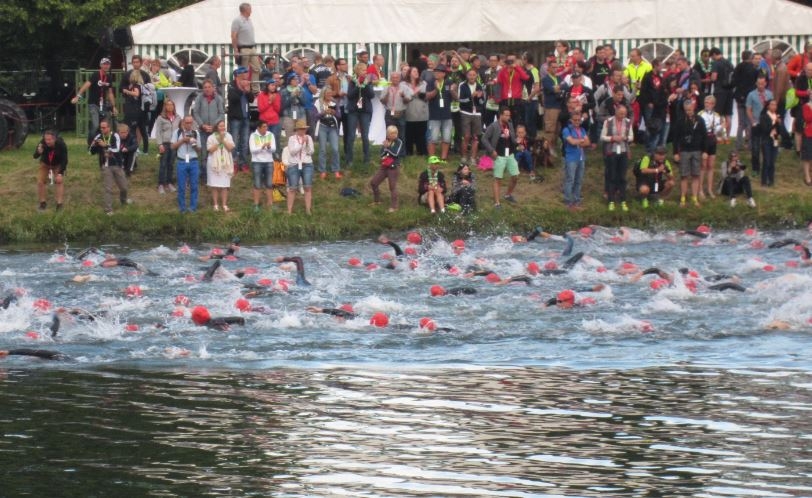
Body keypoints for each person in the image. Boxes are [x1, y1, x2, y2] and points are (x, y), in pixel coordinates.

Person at [71, 57, 117, 145]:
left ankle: (105, 142)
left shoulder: (109, 77)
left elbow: (110, 93)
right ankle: (90, 143)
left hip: (103, 104)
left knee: (106, 124)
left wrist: (113, 106)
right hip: (93, 104)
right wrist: (77, 96)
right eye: (104, 64)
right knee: (95, 125)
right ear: (100, 65)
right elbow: (86, 85)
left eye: (108, 64)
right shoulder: (95, 75)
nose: (106, 66)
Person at [89, 121, 130, 215]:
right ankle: (108, 209)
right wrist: (94, 145)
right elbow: (90, 152)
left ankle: (123, 200)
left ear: (109, 128)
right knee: (108, 188)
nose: (102, 129)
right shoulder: (98, 137)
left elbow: (117, 149)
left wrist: (106, 146)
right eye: (101, 128)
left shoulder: (115, 136)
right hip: (105, 166)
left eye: (104, 128)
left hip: (117, 164)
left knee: (124, 187)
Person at [672, 100, 707, 208]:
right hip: (684, 151)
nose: (688, 112)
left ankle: (694, 197)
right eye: (686, 110)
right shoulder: (680, 121)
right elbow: (675, 138)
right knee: (684, 175)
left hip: (697, 150)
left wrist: (705, 151)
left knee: (696, 175)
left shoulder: (700, 120)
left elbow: (704, 136)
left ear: (694, 108)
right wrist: (675, 152)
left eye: (690, 110)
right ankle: (683, 197)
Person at [481, 107, 519, 208]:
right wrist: (491, 150)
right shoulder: (493, 126)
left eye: (509, 115)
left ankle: (508, 195)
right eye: (506, 115)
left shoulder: (510, 124)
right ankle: (497, 202)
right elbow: (484, 139)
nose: (508, 117)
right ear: (501, 115)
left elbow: (513, 139)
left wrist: (517, 142)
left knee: (515, 176)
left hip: (510, 155)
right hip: (499, 156)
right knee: (498, 179)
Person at [600, 103, 634, 211]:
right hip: (612, 151)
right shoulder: (608, 121)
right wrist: (612, 138)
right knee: (612, 176)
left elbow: (631, 136)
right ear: (616, 112)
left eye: (624, 114)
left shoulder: (628, 122)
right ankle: (611, 200)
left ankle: (623, 200)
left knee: (622, 176)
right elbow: (602, 137)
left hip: (623, 151)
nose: (622, 116)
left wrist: (626, 138)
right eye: (620, 114)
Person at [194, 79, 226, 181]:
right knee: (204, 153)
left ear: (213, 88)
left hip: (214, 131)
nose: (207, 89)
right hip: (203, 130)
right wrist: (202, 124)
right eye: (205, 87)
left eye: (209, 87)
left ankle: (215, 175)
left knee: (215, 152)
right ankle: (204, 176)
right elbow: (195, 113)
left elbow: (221, 113)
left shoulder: (218, 99)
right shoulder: (199, 98)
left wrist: (214, 125)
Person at [345, 63, 375, 168]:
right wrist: (358, 86)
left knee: (365, 136)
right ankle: (349, 160)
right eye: (363, 70)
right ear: (357, 71)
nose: (365, 72)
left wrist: (365, 85)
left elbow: (371, 95)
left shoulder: (368, 81)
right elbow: (349, 95)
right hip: (353, 111)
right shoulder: (352, 82)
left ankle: (367, 158)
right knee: (351, 136)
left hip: (365, 111)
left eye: (366, 70)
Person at [370, 125, 404, 212]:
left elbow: (396, 154)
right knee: (374, 182)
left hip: (393, 167)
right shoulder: (386, 141)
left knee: (392, 186)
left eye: (395, 133)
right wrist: (385, 148)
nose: (394, 135)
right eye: (391, 133)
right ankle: (377, 201)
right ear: (388, 134)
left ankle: (394, 206)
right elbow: (381, 154)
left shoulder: (399, 142)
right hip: (384, 166)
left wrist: (387, 148)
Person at [698, 95, 726, 199]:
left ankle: (709, 189)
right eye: (706, 102)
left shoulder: (717, 115)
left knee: (711, 166)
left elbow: (717, 130)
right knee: (703, 166)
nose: (707, 105)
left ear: (713, 104)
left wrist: (721, 128)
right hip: (703, 140)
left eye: (709, 103)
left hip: (712, 140)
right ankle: (700, 189)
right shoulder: (700, 114)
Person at [426, 64, 456, 161]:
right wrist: (436, 89)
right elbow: (427, 97)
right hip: (434, 115)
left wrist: (453, 90)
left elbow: (456, 98)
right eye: (435, 71)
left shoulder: (449, 82)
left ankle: (443, 158)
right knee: (433, 138)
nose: (436, 73)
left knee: (447, 138)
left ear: (444, 74)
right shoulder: (430, 82)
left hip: (447, 115)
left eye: (439, 72)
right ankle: (432, 158)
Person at [172, 116, 202, 213]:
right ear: (183, 123)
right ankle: (182, 208)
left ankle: (193, 207)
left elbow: (199, 150)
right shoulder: (177, 132)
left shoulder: (196, 133)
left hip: (193, 161)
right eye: (187, 122)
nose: (189, 124)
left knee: (194, 185)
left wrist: (194, 145)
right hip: (181, 161)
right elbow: (172, 146)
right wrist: (183, 140)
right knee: (181, 186)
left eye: (190, 122)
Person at [561, 112, 590, 211]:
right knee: (570, 180)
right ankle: (568, 201)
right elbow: (572, 142)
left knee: (579, 180)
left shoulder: (582, 129)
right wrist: (581, 141)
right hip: (571, 158)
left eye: (579, 120)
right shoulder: (567, 130)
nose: (577, 122)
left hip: (581, 157)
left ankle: (576, 200)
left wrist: (578, 141)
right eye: (575, 120)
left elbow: (588, 142)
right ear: (571, 120)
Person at [227, 67, 254, 172]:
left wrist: (248, 91)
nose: (247, 74)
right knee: (234, 141)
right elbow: (233, 98)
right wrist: (241, 89)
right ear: (239, 75)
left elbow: (251, 99)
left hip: (246, 117)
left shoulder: (247, 83)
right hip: (235, 118)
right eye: (245, 73)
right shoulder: (231, 85)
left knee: (245, 141)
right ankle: (234, 162)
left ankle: (243, 162)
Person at [33, 129, 67, 211]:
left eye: (49, 140)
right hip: (45, 164)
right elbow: (35, 156)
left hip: (57, 164)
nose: (47, 141)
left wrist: (60, 173)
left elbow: (64, 160)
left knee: (59, 181)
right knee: (40, 182)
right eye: (46, 139)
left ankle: (59, 204)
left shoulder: (61, 144)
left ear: (54, 139)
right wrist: (39, 152)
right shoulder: (42, 143)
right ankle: (42, 203)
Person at [286, 119, 315, 214]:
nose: (303, 130)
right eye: (301, 129)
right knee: (292, 188)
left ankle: (308, 210)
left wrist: (307, 143)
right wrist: (301, 143)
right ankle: (289, 211)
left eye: (304, 129)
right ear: (297, 129)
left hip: (307, 164)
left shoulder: (309, 138)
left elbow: (311, 152)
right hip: (294, 165)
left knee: (307, 187)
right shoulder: (292, 139)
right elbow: (292, 152)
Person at [230, 2, 260, 94]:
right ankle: (243, 89)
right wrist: (235, 49)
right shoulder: (237, 20)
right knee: (243, 71)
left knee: (257, 68)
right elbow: (233, 36)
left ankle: (255, 89)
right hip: (243, 48)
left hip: (252, 47)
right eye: (250, 9)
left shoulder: (249, 20)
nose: (251, 11)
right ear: (245, 10)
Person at [732, 50, 759, 150]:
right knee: (750, 121)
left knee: (741, 123)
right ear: (750, 57)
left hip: (740, 96)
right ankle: (750, 144)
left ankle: (738, 144)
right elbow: (756, 82)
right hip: (750, 97)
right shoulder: (754, 69)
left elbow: (734, 81)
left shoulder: (738, 67)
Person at [206, 120, 235, 212]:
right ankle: (215, 204)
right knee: (214, 185)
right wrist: (219, 142)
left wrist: (223, 140)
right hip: (214, 163)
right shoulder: (211, 137)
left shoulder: (228, 136)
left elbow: (230, 148)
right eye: (220, 126)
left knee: (225, 185)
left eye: (223, 126)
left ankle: (224, 204)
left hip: (226, 163)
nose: (222, 128)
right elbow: (210, 150)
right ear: (216, 127)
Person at [759, 99, 789, 187]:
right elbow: (765, 129)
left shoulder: (777, 116)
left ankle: (771, 180)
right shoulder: (764, 116)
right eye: (772, 104)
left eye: (775, 105)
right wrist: (775, 122)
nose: (774, 106)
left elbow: (781, 131)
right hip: (766, 140)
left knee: (772, 161)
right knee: (766, 161)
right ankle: (764, 181)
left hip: (775, 140)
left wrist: (779, 124)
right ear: (768, 106)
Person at [458, 68, 485, 165]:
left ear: (476, 76)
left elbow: (482, 102)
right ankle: (464, 157)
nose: (472, 77)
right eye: (470, 75)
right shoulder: (462, 85)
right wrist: (471, 97)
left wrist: (480, 97)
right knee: (466, 136)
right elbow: (461, 100)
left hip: (477, 113)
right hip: (466, 113)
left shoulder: (479, 86)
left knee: (475, 137)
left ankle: (473, 158)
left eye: (474, 75)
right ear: (467, 76)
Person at [248, 121, 276, 212]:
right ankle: (256, 205)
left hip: (269, 162)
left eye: (266, 126)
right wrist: (262, 146)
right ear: (258, 128)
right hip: (257, 162)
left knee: (269, 184)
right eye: (264, 127)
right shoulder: (253, 136)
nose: (266, 128)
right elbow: (252, 150)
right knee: (257, 184)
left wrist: (269, 147)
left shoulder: (270, 135)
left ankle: (270, 204)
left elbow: (274, 149)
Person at [153, 99, 179, 194]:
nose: (170, 106)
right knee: (163, 164)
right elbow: (158, 132)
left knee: (171, 164)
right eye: (168, 105)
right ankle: (161, 184)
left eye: (171, 105)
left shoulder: (178, 117)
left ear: (174, 106)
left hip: (174, 143)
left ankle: (169, 182)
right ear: (165, 106)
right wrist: (160, 144)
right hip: (164, 143)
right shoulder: (161, 118)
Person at [710, 47, 735, 139]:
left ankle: (719, 136)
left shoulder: (716, 63)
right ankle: (727, 136)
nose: (712, 59)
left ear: (714, 54)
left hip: (719, 91)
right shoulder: (729, 63)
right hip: (730, 91)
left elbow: (714, 77)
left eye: (711, 57)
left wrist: (710, 78)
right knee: (728, 115)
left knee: (718, 114)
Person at [316, 87, 341, 179]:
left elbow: (339, 115)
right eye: (327, 94)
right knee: (322, 149)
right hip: (322, 126)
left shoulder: (334, 102)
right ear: (323, 94)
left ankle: (336, 169)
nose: (329, 95)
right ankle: (322, 170)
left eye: (330, 93)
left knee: (335, 149)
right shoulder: (318, 102)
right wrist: (323, 113)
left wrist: (334, 112)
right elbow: (314, 116)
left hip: (332, 127)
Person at [404, 66, 429, 156]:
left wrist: (413, 93)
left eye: (417, 71)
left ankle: (421, 151)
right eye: (414, 71)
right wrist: (414, 93)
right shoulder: (404, 84)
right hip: (409, 111)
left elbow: (425, 95)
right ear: (409, 73)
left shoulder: (423, 83)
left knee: (421, 133)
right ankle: (409, 152)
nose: (417, 72)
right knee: (409, 133)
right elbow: (405, 97)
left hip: (422, 111)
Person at [380, 71, 411, 140]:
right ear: (390, 79)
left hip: (401, 113)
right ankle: (390, 147)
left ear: (400, 79)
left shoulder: (405, 88)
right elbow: (382, 101)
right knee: (389, 134)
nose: (395, 79)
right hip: (389, 113)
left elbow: (408, 101)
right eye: (393, 78)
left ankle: (401, 147)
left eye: (397, 77)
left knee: (402, 135)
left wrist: (403, 96)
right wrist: (387, 95)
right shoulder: (386, 87)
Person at [256, 78, 282, 160]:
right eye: (272, 85)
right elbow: (261, 109)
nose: (274, 87)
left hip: (275, 121)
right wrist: (269, 102)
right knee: (264, 139)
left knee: (275, 139)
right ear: (267, 86)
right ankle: (264, 157)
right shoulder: (261, 95)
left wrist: (273, 102)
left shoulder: (277, 95)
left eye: (275, 85)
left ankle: (276, 158)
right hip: (264, 121)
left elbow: (278, 109)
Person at [801, 97, 812, 186]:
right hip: (809, 133)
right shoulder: (806, 106)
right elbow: (807, 118)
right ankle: (807, 177)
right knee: (807, 156)